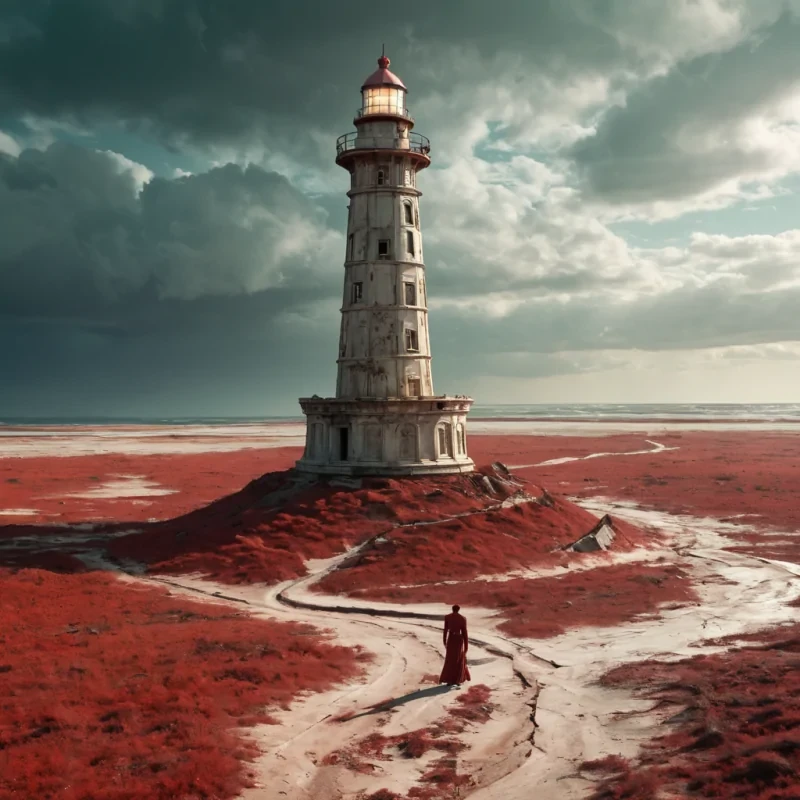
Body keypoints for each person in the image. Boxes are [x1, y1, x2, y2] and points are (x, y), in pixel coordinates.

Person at [439, 604, 471, 686]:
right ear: (458, 609)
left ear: (452, 609)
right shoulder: (463, 618)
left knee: (450, 659)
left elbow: (445, 630)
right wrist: (466, 646)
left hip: (451, 638)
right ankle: (457, 680)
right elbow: (464, 633)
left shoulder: (447, 617)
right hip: (459, 639)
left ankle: (449, 680)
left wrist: (444, 641)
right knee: (458, 659)